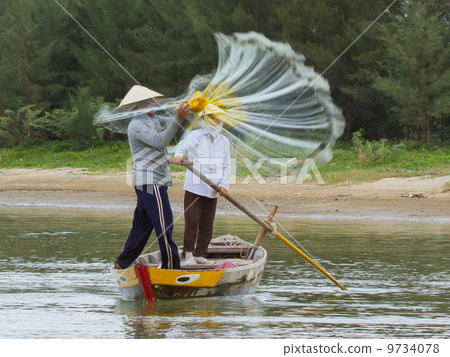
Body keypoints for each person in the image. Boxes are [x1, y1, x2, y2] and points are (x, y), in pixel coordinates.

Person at [114, 85, 192, 270]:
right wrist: (178, 117)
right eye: (149, 102)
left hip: (153, 180)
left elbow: (176, 124)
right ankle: (171, 266)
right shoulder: (137, 125)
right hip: (150, 181)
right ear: (139, 105)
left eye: (153, 101)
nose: (153, 104)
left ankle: (122, 262)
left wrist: (188, 111)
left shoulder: (155, 118)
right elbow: (161, 140)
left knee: (142, 227)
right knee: (164, 224)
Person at [172, 105, 230, 265]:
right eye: (211, 117)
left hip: (213, 188)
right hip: (195, 186)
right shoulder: (196, 135)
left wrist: (224, 185)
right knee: (192, 221)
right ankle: (188, 254)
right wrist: (178, 156)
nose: (214, 120)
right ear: (206, 119)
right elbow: (181, 146)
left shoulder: (224, 141)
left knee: (207, 223)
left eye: (217, 117)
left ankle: (200, 254)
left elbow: (226, 165)